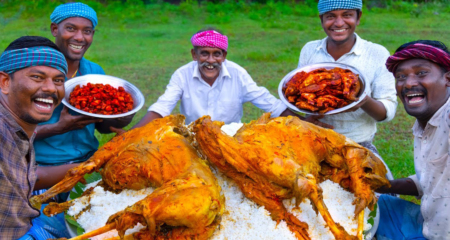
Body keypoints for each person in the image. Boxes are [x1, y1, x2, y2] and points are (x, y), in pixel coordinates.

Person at [134, 28, 328, 128]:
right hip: (194, 138)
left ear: (224, 57)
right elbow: (162, 107)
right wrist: (129, 136)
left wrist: (304, 122)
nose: (210, 61)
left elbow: (269, 103)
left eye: (217, 54)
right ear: (194, 55)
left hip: (231, 138)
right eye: (204, 54)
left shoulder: (237, 73)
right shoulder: (182, 75)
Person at [297, 0, 398, 168]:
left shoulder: (376, 53)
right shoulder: (310, 50)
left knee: (382, 191)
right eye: (330, 16)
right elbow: (300, 97)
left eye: (347, 15)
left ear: (358, 17)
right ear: (321, 19)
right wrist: (307, 119)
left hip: (358, 144)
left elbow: (386, 112)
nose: (338, 23)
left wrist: (362, 100)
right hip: (314, 141)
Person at [33, 2, 132, 169]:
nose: (79, 37)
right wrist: (57, 128)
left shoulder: (95, 73)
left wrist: (122, 117)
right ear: (54, 29)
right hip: (42, 166)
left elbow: (101, 126)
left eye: (86, 31)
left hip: (88, 162)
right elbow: (10, 130)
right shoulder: (35, 72)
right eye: (71, 29)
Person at [375, 40, 450, 240]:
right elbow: (429, 179)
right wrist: (378, 185)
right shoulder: (422, 125)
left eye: (421, 73)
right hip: (426, 224)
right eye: (401, 76)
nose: (408, 83)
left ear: (448, 79)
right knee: (370, 201)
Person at [0, 36, 73, 240]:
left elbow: (32, 178)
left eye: (58, 80)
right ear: (5, 82)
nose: (51, 88)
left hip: (28, 220)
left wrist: (93, 164)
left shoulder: (22, 126)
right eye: (37, 77)